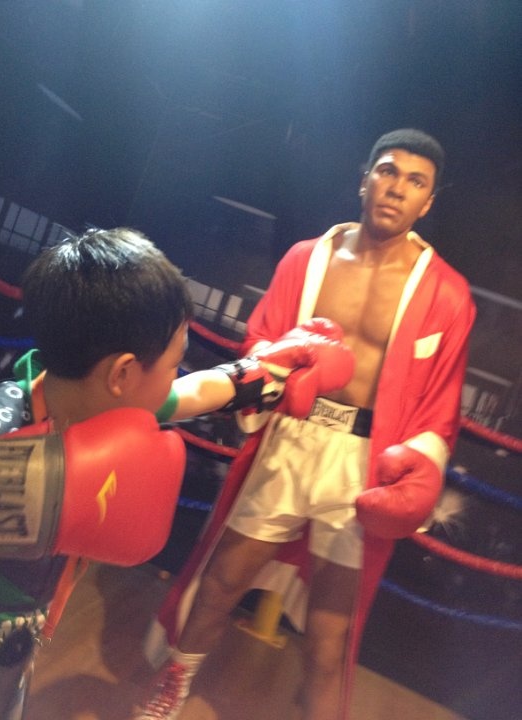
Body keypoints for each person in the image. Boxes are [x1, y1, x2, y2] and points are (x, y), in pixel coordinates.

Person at [135, 129, 476, 720]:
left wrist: (424, 462)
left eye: (415, 182)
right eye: (388, 171)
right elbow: (262, 342)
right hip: (291, 440)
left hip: (364, 463)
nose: (397, 188)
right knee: (220, 584)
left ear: (428, 202)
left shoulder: (447, 293)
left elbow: (440, 400)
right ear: (365, 179)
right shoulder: (306, 258)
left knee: (327, 634)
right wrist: (280, 374)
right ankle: (175, 685)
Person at [0, 227, 352, 719]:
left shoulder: (102, 402)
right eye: (173, 365)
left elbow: (197, 392)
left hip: (13, 656)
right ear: (122, 374)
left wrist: (267, 370)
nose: (176, 378)